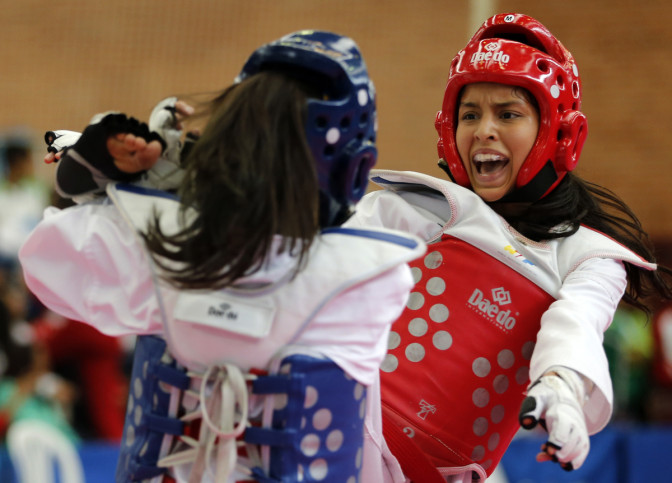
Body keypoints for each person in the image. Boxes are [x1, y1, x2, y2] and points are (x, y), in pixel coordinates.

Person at [19, 31, 426, 482]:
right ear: (353, 164)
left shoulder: (161, 249)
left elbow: (44, 259)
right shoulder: (371, 280)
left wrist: (145, 183)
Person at [345, 12, 672, 482]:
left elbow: (577, 324)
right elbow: (320, 252)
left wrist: (563, 385)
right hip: (340, 438)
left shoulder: (587, 256)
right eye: (470, 114)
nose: (484, 129)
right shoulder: (425, 210)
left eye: (508, 114)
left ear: (559, 133)